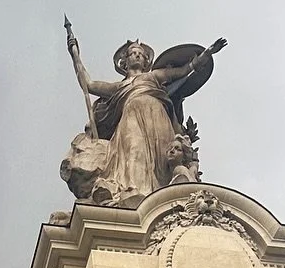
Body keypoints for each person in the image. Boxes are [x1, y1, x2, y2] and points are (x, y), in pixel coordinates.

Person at [62, 34, 225, 207]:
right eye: (133, 53)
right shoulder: (119, 87)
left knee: (164, 156)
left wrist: (206, 54)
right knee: (134, 152)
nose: (138, 55)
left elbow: (186, 69)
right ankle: (133, 193)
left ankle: (168, 197)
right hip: (131, 118)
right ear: (124, 62)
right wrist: (75, 56)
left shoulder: (154, 76)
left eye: (141, 53)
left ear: (147, 61)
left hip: (158, 115)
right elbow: (89, 84)